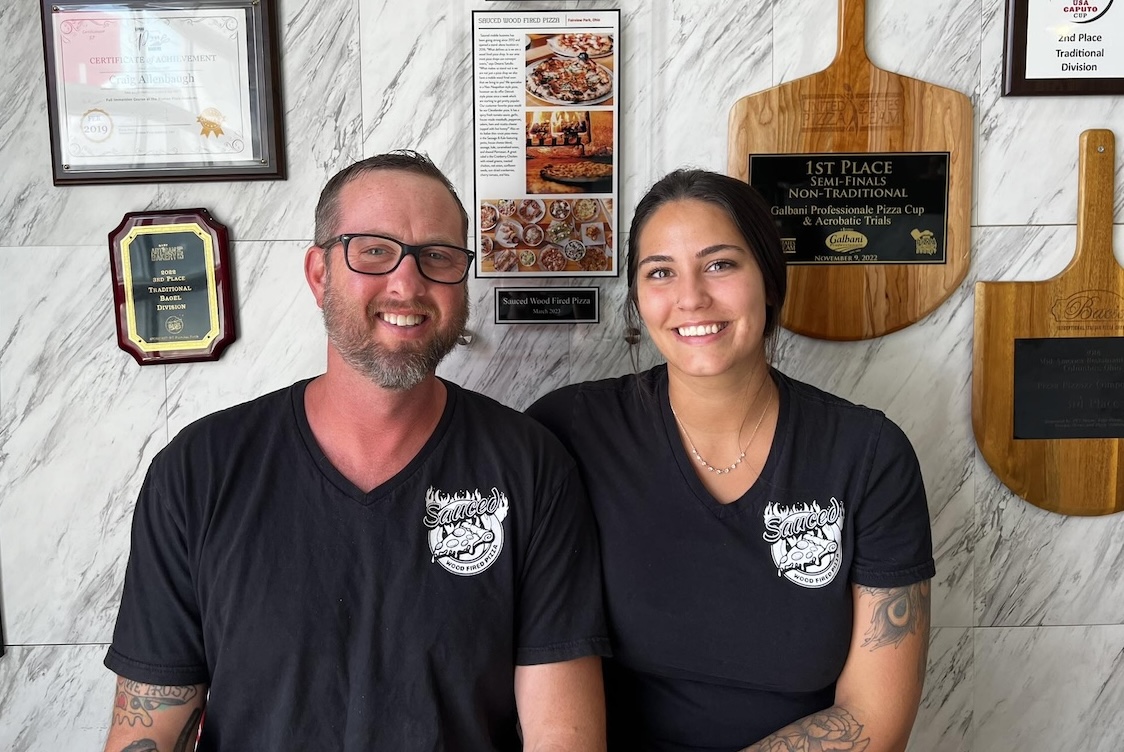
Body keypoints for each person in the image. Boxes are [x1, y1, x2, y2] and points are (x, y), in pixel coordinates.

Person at [102, 151, 610, 752]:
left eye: (438, 257)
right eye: (373, 250)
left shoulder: (531, 468)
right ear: (319, 273)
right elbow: (153, 727)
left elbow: (563, 736)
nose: (407, 282)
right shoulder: (198, 471)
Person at [527, 169, 933, 752]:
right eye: (661, 272)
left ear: (768, 280)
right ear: (639, 299)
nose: (691, 297)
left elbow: (875, 718)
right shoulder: (570, 432)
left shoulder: (867, 454)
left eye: (720, 264)